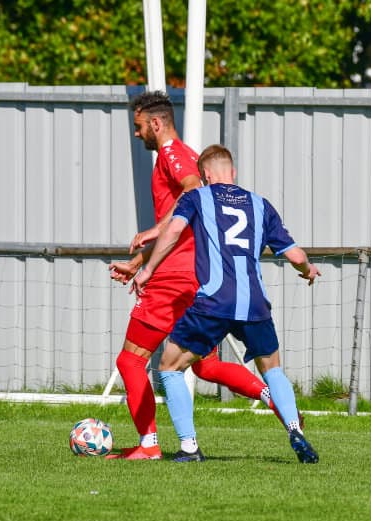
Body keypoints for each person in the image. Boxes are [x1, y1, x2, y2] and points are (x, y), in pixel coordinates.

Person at [108, 91, 292, 461]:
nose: (137, 133)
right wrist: (140, 260)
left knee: (130, 361)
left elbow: (191, 193)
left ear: (156, 123)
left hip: (172, 281)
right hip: (195, 279)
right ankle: (273, 398)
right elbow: (185, 227)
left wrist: (154, 233)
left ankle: (149, 445)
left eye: (139, 126)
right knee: (205, 366)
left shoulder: (173, 154)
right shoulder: (187, 155)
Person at [131, 144, 320, 464]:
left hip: (214, 301)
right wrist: (307, 270)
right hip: (255, 304)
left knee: (170, 368)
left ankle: (189, 447)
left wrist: (147, 269)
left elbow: (173, 231)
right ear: (232, 172)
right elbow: (295, 255)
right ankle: (294, 429)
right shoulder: (260, 204)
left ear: (205, 175)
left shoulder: (196, 197)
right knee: (272, 369)